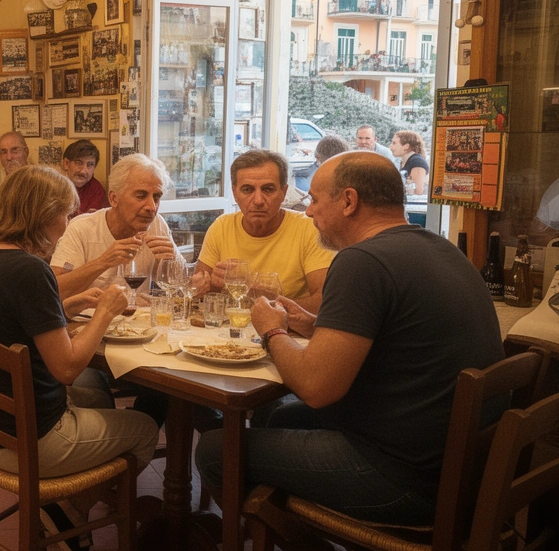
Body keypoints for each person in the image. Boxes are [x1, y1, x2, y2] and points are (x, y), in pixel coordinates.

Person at [196, 152, 504, 530]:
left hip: (404, 480)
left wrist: (272, 330)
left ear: (349, 201)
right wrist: (309, 324)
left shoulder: (362, 261)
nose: (309, 211)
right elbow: (385, 337)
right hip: (461, 469)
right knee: (279, 415)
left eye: (314, 199)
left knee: (215, 450)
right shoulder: (441, 248)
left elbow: (315, 388)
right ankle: (274, 524)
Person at [0, 165, 158, 551]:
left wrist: (73, 304)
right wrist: (105, 312)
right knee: (144, 427)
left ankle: (64, 505)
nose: (67, 223)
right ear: (44, 215)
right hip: (27, 441)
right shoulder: (30, 270)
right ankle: (72, 510)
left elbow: (13, 319)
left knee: (97, 400)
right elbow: (67, 369)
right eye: (65, 213)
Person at [195, 150, 332, 314]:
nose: (258, 200)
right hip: (230, 327)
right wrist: (208, 286)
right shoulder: (221, 226)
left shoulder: (309, 229)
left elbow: (325, 302)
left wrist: (263, 296)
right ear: (234, 194)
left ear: (283, 193)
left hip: (286, 329)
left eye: (268, 189)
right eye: (247, 190)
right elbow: (199, 290)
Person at [50, 153, 178, 298]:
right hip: (91, 313)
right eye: (141, 196)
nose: (152, 207)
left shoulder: (157, 224)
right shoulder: (82, 228)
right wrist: (103, 262)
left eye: (156, 197)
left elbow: (180, 285)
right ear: (114, 199)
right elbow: (54, 290)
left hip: (139, 313)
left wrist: (171, 261)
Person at [61, 139, 108, 217]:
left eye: (90, 165)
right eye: (78, 163)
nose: (83, 171)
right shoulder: (54, 186)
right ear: (66, 164)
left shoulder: (97, 190)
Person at [390, 130, 429, 195]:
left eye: (394, 143)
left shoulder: (417, 162)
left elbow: (417, 192)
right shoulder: (402, 161)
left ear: (406, 146)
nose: (390, 146)